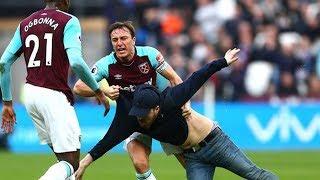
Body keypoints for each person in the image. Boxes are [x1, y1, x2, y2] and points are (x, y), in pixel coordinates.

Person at [126, 48, 278, 180]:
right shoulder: (142, 120)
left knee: (255, 175)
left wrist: (223, 61)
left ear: (155, 108)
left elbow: (197, 77)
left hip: (216, 143)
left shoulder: (172, 99)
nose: (141, 116)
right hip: (193, 157)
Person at [0, 0, 109, 179]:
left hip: (31, 94)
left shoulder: (25, 24)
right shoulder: (69, 21)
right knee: (71, 163)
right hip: (53, 95)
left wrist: (7, 103)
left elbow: (4, 62)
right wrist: (97, 90)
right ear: (65, 1)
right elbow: (76, 62)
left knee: (64, 159)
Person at [73, 21, 186, 180]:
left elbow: (175, 79)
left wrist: (185, 105)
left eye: (124, 38)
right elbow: (78, 87)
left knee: (187, 161)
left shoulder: (150, 55)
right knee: (140, 163)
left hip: (162, 114)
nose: (119, 43)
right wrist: (104, 91)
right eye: (115, 40)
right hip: (135, 118)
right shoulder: (107, 64)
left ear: (133, 40)